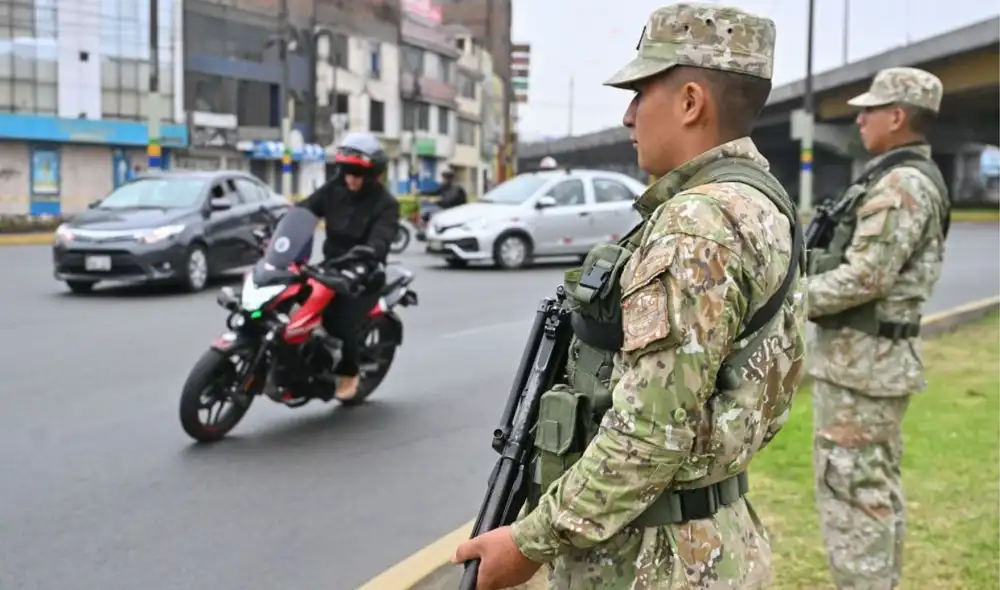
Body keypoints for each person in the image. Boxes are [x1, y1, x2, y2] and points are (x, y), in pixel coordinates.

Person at [452, 4, 807, 589]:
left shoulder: (698, 224)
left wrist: (530, 541)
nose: (627, 115)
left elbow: (649, 431)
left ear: (691, 102)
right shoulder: (762, 205)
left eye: (640, 92)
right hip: (707, 536)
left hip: (650, 561)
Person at [807, 67, 949, 590]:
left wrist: (787, 300)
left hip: (862, 369)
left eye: (870, 109)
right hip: (867, 365)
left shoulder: (901, 184)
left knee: (852, 495)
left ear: (897, 116)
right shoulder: (897, 176)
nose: (859, 117)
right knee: (870, 489)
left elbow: (865, 276)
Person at [295, 131, 400, 401]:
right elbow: (305, 210)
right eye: (346, 171)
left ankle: (349, 370)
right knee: (291, 298)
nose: (350, 178)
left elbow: (381, 240)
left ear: (372, 174)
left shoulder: (386, 205)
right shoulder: (334, 189)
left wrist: (366, 255)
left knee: (339, 321)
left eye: (357, 173)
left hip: (364, 272)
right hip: (331, 266)